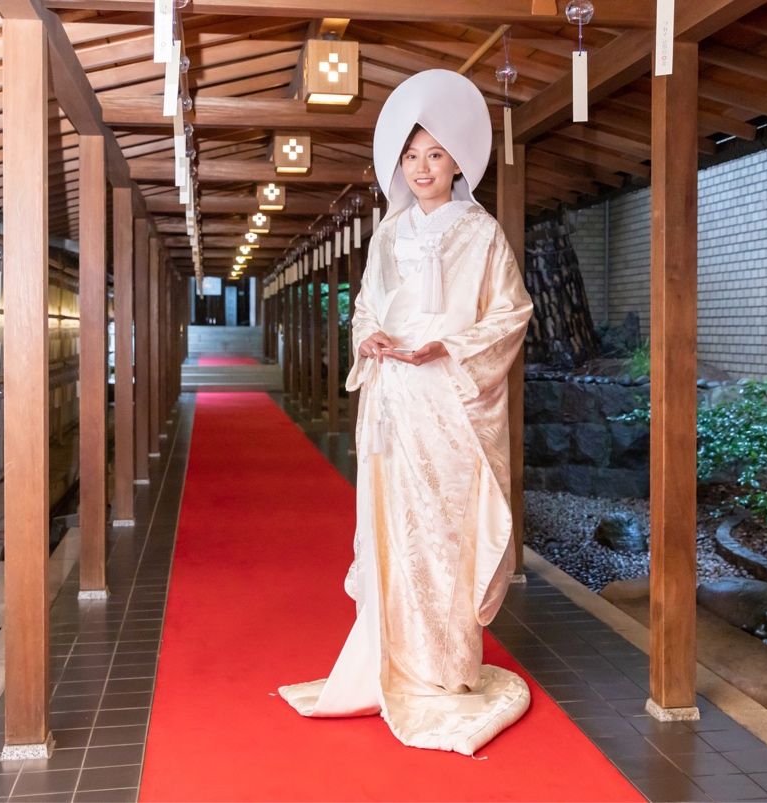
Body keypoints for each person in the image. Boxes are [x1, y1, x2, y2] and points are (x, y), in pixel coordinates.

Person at [278, 69, 535, 757]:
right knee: (394, 527)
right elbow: (366, 306)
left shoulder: (482, 233)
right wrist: (369, 337)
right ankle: (394, 656)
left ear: (457, 163)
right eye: (412, 155)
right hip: (395, 399)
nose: (422, 168)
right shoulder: (387, 235)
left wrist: (446, 346)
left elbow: (511, 313)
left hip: (450, 402)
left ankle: (445, 665)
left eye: (436, 154)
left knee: (444, 532)